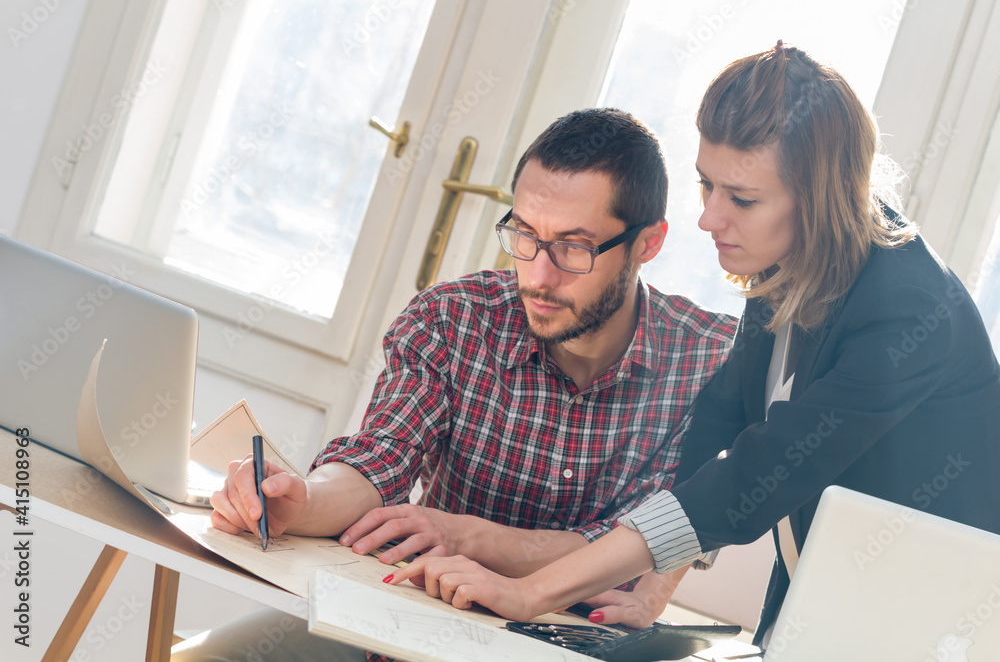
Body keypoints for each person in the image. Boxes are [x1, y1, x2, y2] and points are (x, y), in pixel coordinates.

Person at [386, 42, 1000, 650]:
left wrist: (530, 593)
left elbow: (759, 473)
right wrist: (654, 590)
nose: (709, 218)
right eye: (708, 185)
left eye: (742, 199)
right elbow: (722, 423)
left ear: (819, 197)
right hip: (830, 590)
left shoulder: (908, 309)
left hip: (942, 624)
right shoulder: (789, 252)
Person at [172, 107, 737, 661]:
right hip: (405, 627)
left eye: (573, 247)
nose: (538, 276)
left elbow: (638, 544)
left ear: (647, 244)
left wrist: (466, 537)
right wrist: (301, 502)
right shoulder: (454, 318)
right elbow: (380, 458)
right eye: (524, 235)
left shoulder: (710, 364)